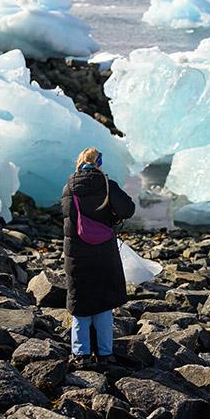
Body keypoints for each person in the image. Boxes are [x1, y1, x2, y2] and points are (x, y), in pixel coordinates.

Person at [61, 147, 135, 368]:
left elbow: (67, 217)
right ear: (98, 163)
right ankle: (105, 353)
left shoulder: (69, 188)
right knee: (103, 304)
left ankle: (81, 354)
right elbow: (128, 209)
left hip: (77, 252)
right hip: (104, 250)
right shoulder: (106, 185)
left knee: (80, 302)